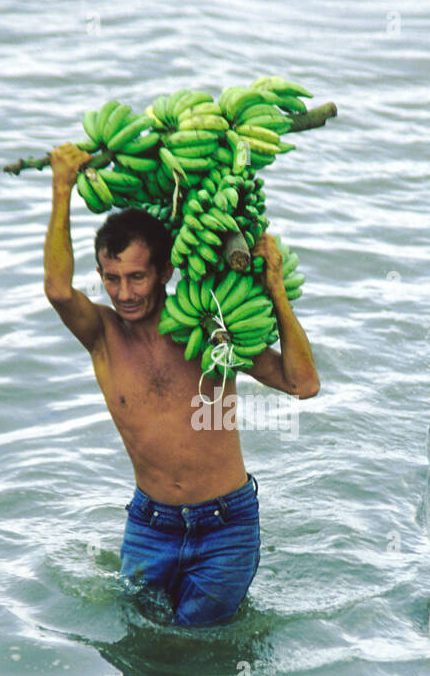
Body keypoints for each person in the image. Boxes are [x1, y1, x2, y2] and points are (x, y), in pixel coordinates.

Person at [43, 142, 320, 626]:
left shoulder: (209, 330)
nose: (124, 293)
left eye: (137, 277)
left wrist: (275, 288)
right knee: (140, 647)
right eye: (112, 279)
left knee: (194, 646)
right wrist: (62, 187)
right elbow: (58, 290)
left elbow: (303, 384)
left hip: (225, 525)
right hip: (149, 525)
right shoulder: (102, 336)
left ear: (165, 272)